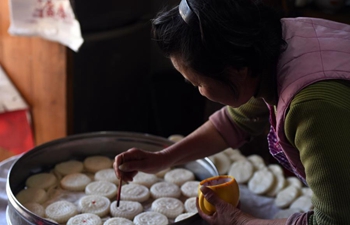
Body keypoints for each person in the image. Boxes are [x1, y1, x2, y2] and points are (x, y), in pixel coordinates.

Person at [113, 0, 350, 224]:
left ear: (237, 70)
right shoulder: (274, 45)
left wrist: (239, 220)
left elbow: (334, 220)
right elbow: (235, 123)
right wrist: (163, 158)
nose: (199, 92)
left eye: (197, 84)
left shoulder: (313, 108)